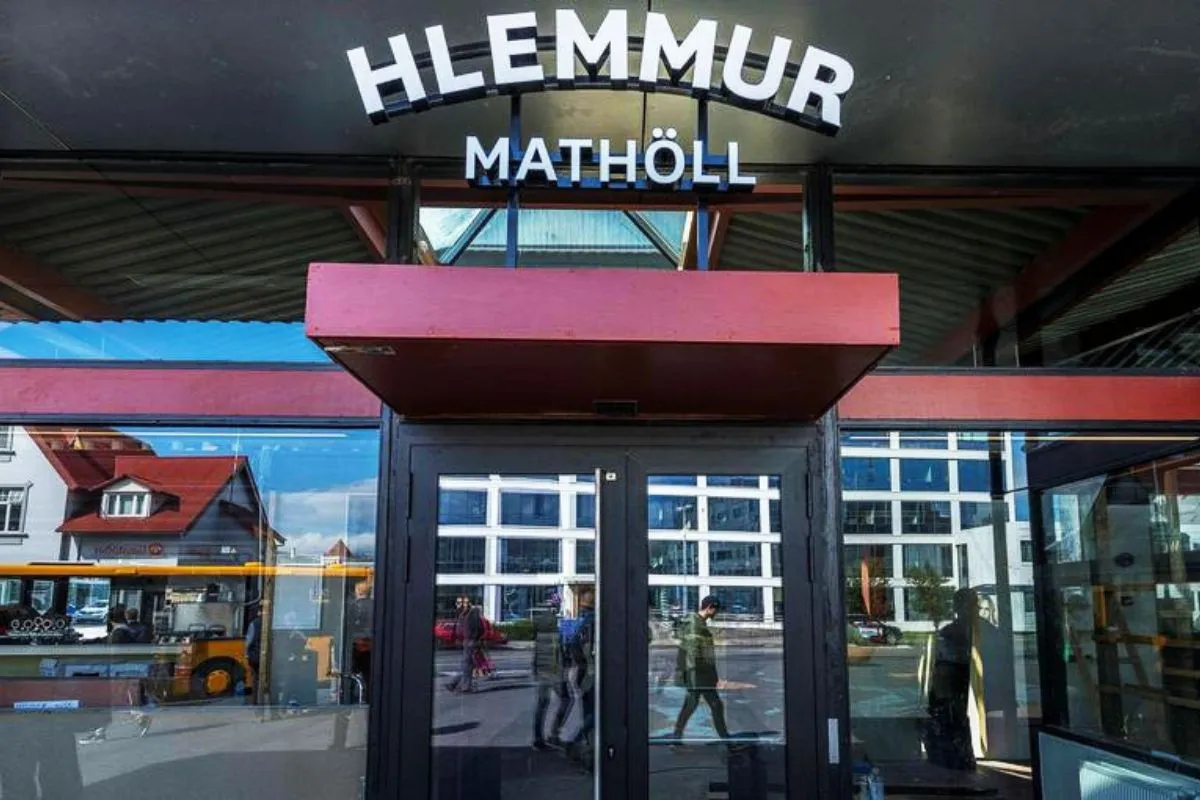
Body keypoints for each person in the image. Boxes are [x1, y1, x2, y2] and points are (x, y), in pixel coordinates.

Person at [671, 595, 731, 741]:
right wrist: (692, 679)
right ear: (709, 607)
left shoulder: (699, 623)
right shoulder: (694, 624)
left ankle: (676, 739)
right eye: (716, 610)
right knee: (713, 705)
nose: (717, 613)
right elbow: (692, 653)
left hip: (701, 676)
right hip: (697, 676)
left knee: (694, 707)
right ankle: (727, 741)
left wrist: (713, 677)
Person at [532, 592, 571, 750]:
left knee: (542, 704)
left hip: (541, 669)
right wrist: (564, 668)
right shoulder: (554, 624)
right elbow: (558, 651)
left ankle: (538, 738)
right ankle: (554, 732)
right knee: (567, 699)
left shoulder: (540, 624)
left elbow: (537, 650)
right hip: (553, 671)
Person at [566, 588, 597, 765]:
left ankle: (587, 748)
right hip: (590, 673)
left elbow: (573, 647)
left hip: (582, 671)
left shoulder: (581, 622)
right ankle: (579, 743)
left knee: (588, 710)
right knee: (594, 712)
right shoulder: (593, 622)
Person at [446, 595, 482, 693]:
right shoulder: (463, 613)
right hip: (465, 641)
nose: (463, 604)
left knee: (466, 664)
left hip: (471, 641)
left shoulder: (473, 613)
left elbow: (479, 628)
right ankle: (457, 684)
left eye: (466, 602)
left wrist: (475, 639)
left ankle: (461, 685)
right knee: (466, 664)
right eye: (461, 603)